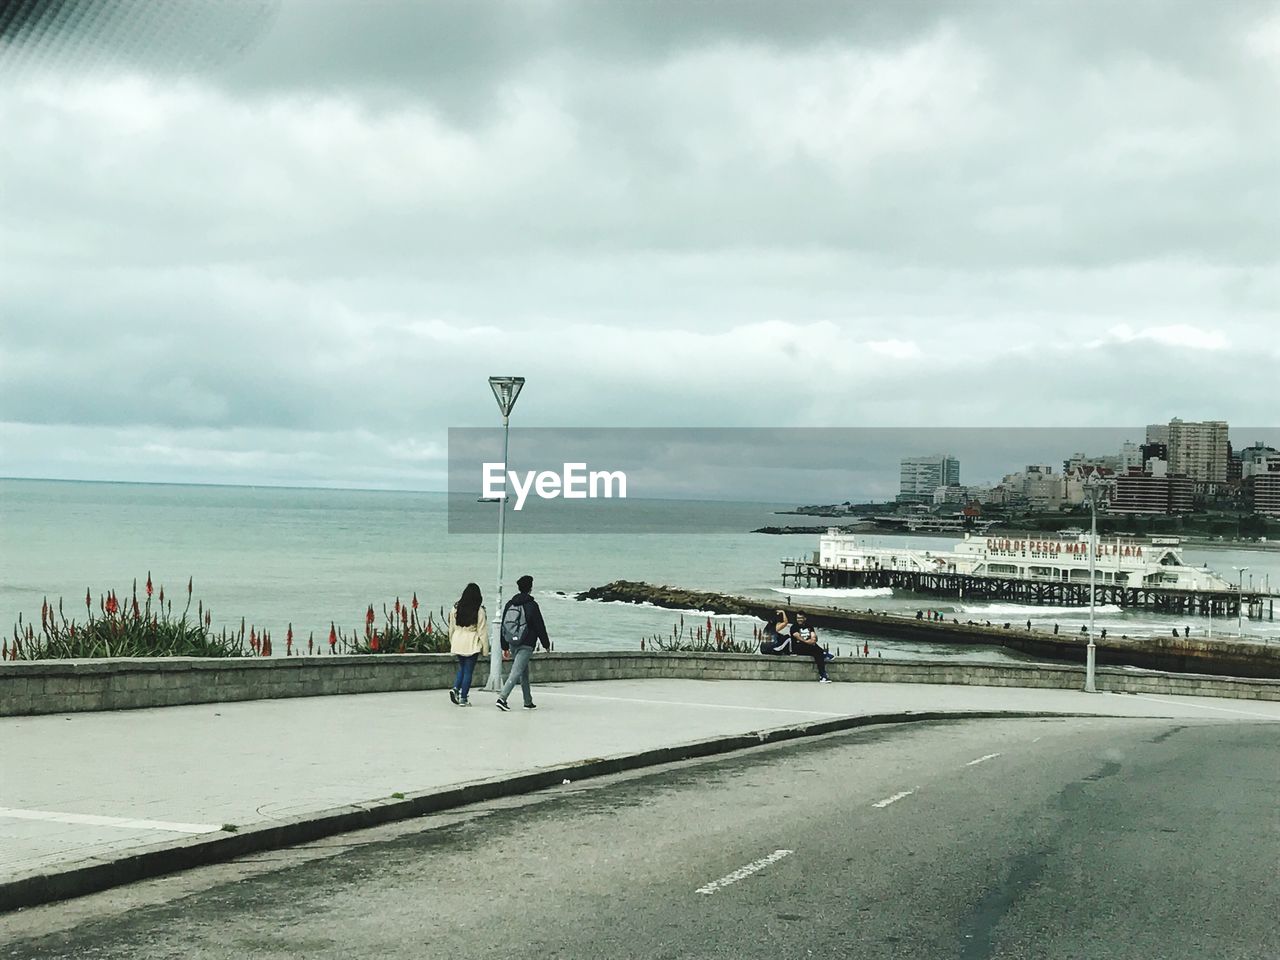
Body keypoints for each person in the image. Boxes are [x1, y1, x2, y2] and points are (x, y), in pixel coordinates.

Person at [496, 574, 550, 711]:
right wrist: (546, 644)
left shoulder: (510, 604)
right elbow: (539, 626)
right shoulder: (532, 605)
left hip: (513, 643)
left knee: (523, 672)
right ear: (530, 588)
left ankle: (528, 701)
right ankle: (502, 698)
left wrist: (504, 646)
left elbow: (504, 625)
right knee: (516, 672)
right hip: (526, 644)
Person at [447, 583, 488, 706]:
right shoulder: (479, 610)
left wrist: (452, 642)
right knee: (468, 671)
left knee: (462, 668)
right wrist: (485, 650)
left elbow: (451, 628)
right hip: (471, 642)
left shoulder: (455, 608)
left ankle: (455, 688)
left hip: (458, 640)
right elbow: (482, 631)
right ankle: (463, 697)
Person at [789, 611, 833, 683]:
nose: (799, 619)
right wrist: (808, 642)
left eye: (801, 618)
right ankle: (824, 655)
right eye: (798, 618)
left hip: (810, 648)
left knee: (818, 654)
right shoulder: (794, 627)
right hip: (798, 648)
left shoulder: (809, 626)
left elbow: (813, 635)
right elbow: (798, 636)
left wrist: (813, 639)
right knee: (817, 651)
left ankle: (823, 676)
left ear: (805, 618)